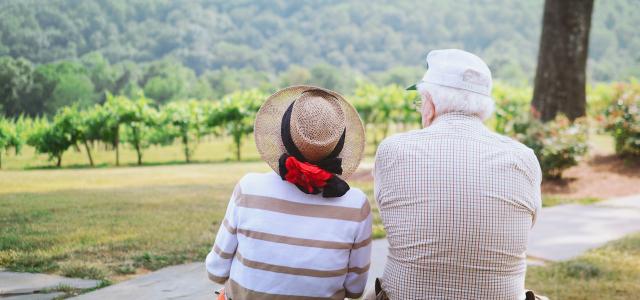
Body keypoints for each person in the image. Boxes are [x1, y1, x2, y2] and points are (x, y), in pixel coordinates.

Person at [372, 49, 544, 299]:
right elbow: (529, 223)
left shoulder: (393, 150)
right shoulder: (524, 158)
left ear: (430, 104)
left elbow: (391, 218)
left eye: (421, 102)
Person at [205, 86, 372, 299]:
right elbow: (355, 290)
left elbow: (216, 271)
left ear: (282, 137)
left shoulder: (249, 188)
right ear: (338, 146)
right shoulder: (356, 205)